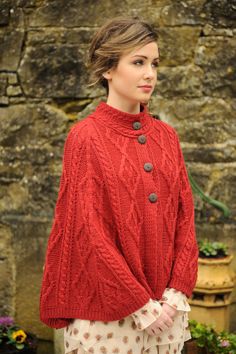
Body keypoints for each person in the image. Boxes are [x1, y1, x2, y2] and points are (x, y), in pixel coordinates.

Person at [39, 16, 199, 354]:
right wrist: (141, 305)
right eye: (138, 62)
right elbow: (89, 231)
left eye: (154, 63)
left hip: (167, 315)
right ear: (108, 69)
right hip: (107, 320)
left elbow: (185, 219)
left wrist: (175, 294)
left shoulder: (167, 136)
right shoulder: (85, 137)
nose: (150, 74)